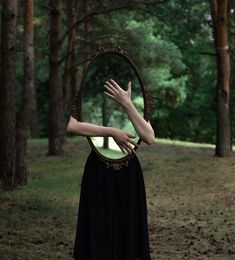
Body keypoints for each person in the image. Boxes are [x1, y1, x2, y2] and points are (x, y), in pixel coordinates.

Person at [67, 79, 155, 260]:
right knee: (98, 229)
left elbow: (149, 137)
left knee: (127, 230)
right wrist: (111, 132)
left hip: (129, 173)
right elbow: (73, 125)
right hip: (98, 170)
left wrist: (127, 104)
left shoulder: (132, 102)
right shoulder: (86, 90)